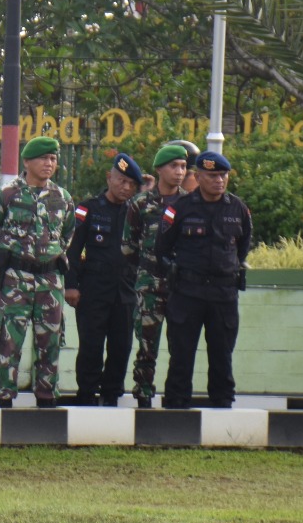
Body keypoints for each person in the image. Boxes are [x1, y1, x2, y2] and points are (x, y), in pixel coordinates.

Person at [0, 136, 76, 409]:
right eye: (43, 158)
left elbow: (67, 233)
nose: (49, 164)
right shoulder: (6, 194)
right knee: (9, 341)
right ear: (27, 162)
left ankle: (47, 397)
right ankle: (4, 396)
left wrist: (50, 255)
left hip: (50, 280)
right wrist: (5, 258)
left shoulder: (62, 197)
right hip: (15, 280)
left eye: (53, 159)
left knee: (51, 340)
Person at [155, 150, 252, 409]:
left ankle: (222, 405)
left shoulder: (238, 208)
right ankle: (176, 407)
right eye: (212, 176)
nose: (219, 181)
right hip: (187, 293)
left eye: (223, 175)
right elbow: (162, 248)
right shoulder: (180, 208)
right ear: (198, 177)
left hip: (223, 294)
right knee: (181, 355)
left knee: (222, 355)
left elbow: (242, 249)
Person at [65, 152, 144, 407]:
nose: (126, 187)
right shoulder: (88, 208)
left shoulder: (136, 213)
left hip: (125, 291)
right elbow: (73, 250)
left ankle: (111, 395)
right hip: (93, 290)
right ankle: (86, 395)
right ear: (109, 177)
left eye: (131, 184)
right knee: (91, 347)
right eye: (121, 181)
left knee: (121, 348)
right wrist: (71, 285)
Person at [123, 143, 192, 408]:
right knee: (146, 346)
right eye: (174, 166)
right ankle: (143, 395)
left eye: (183, 167)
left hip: (181, 287)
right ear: (160, 169)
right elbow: (128, 246)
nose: (179, 172)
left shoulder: (190, 203)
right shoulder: (141, 203)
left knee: (180, 347)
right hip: (149, 285)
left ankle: (176, 398)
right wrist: (145, 271)